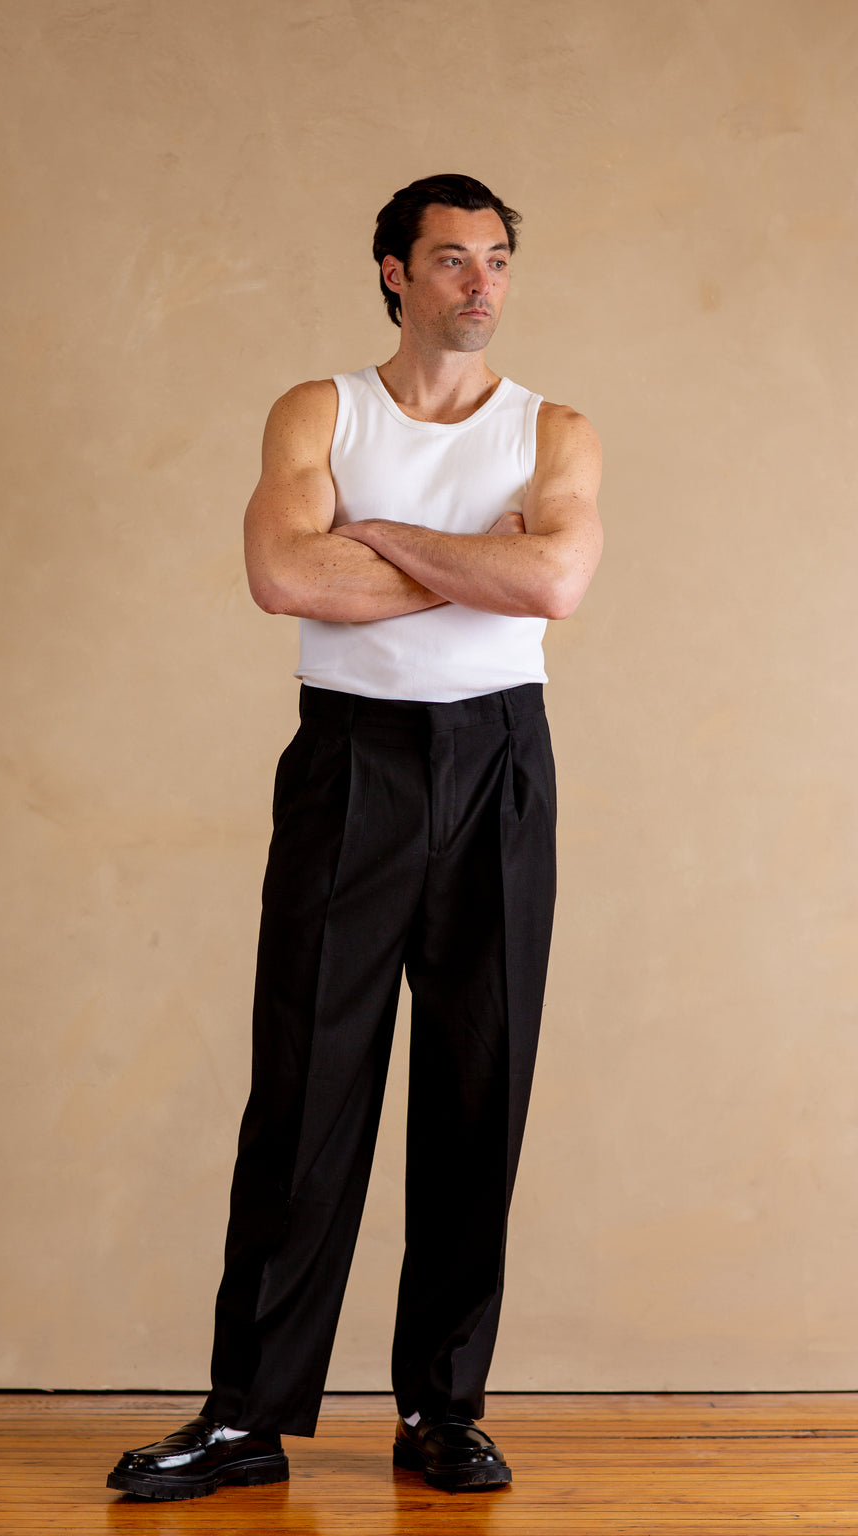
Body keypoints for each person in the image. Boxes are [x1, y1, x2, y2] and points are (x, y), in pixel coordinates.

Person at [107, 173, 603, 1502]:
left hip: (501, 765)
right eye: (451, 260)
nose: (482, 285)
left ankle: (443, 1408)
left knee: (478, 1088)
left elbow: (555, 579)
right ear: (394, 271)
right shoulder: (322, 411)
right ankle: (246, 1417)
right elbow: (283, 574)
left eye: (497, 260)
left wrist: (369, 540)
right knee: (307, 1086)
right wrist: (465, 557)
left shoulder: (554, 430)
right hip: (351, 764)